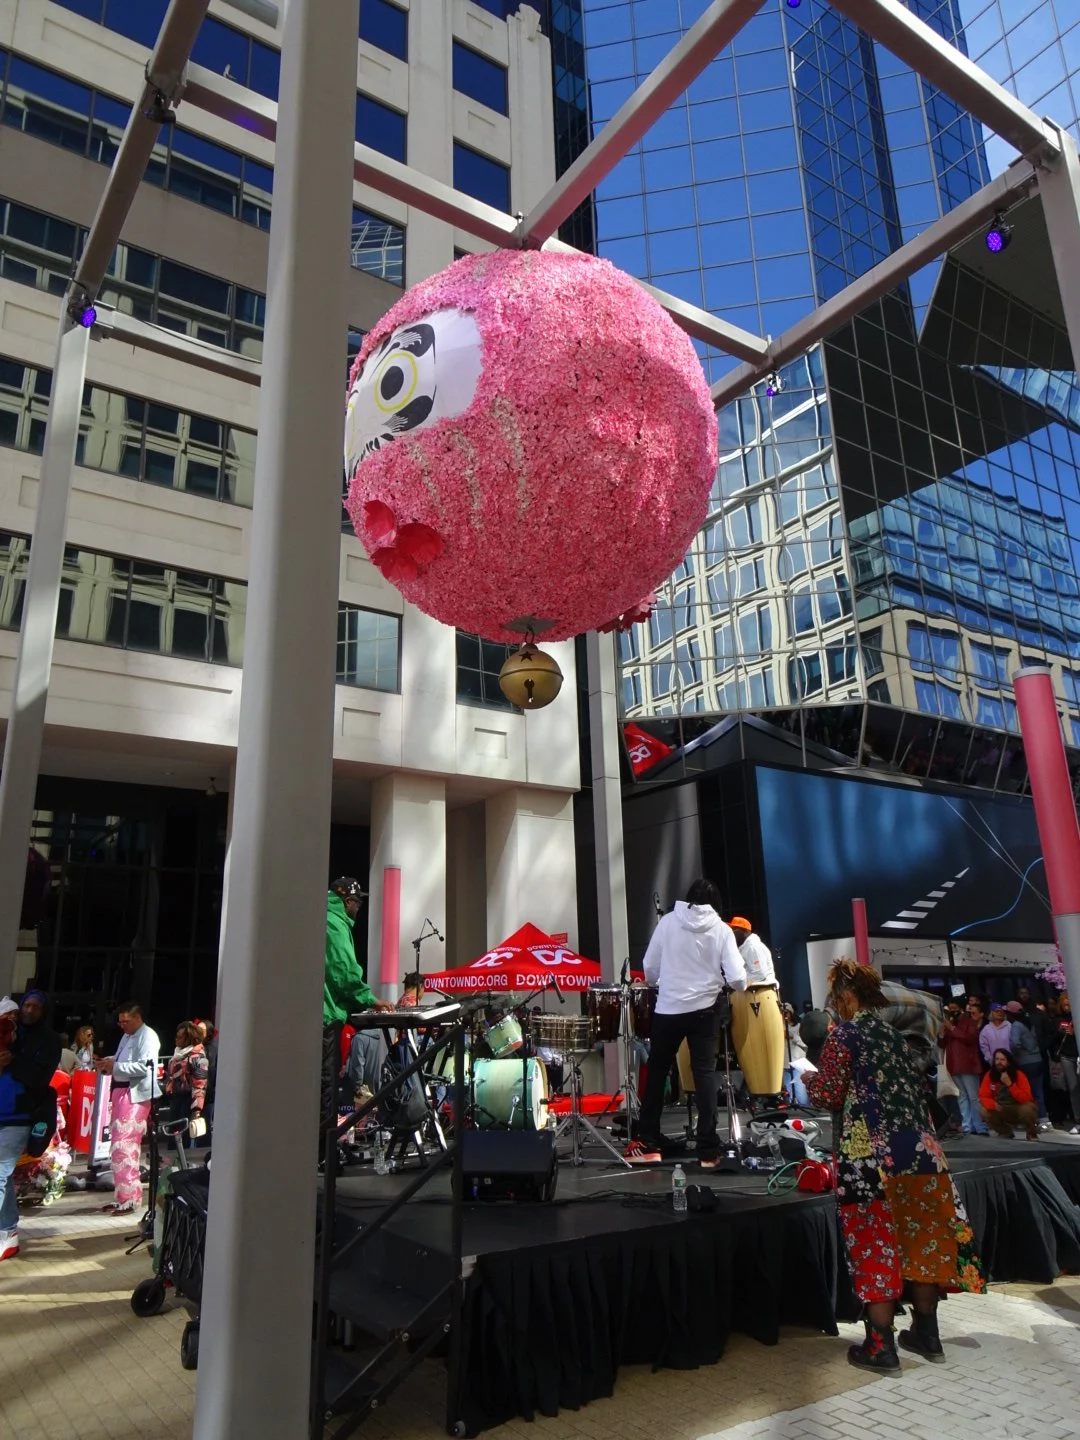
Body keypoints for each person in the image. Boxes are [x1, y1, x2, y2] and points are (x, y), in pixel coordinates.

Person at [806, 959, 982, 1370]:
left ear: (847, 997)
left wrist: (810, 1080)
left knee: (874, 1239)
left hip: (871, 1153)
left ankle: (880, 1346)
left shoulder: (844, 1035)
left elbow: (829, 1094)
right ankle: (927, 1334)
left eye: (836, 999)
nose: (835, 1006)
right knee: (923, 1239)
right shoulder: (895, 1036)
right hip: (922, 1149)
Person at [625, 878, 746, 1166]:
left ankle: (649, 1143)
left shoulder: (668, 923)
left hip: (668, 1008)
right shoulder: (721, 930)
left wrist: (659, 982)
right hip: (705, 1010)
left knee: (657, 1072)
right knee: (704, 1074)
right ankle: (708, 1150)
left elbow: (650, 965)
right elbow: (739, 979)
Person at [323, 878, 392, 1144]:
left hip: (328, 1013)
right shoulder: (335, 924)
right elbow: (344, 972)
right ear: (347, 901)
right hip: (327, 1016)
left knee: (326, 1085)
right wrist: (371, 1000)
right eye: (357, 901)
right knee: (325, 1087)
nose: (359, 907)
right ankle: (321, 1153)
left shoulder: (329, 919)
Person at [0, 989, 62, 1260]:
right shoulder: (9, 1033)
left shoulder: (49, 1040)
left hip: (20, 1117)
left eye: (36, 1007)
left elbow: (39, 1078)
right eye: (27, 1005)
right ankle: (8, 1232)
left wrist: (14, 1060)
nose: (29, 1011)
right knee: (2, 1179)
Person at [95, 1002, 160, 1215]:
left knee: (125, 1145)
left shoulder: (147, 1036)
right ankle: (123, 1195)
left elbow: (144, 1066)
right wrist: (108, 1061)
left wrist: (115, 1066)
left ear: (137, 1018)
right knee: (118, 1146)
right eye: (120, 1022)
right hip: (122, 1091)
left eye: (126, 1021)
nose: (122, 1025)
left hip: (135, 1094)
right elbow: (122, 1059)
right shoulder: (128, 1035)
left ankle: (131, 1198)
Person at [940, 997, 988, 1135]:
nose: (953, 1011)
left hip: (968, 1064)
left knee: (973, 1096)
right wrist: (942, 1034)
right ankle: (967, 1126)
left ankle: (980, 1126)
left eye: (955, 1008)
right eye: (951, 1009)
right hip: (954, 1065)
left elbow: (969, 1038)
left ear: (961, 1009)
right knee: (961, 1097)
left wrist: (952, 1028)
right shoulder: (950, 1023)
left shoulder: (969, 1022)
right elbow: (941, 1044)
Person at [1005, 1001, 1050, 1130]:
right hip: (1037, 1059)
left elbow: (1014, 1043)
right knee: (1038, 1092)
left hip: (1025, 1062)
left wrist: (1015, 1055)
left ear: (1010, 1013)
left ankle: (1031, 1120)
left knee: (1027, 1093)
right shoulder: (1029, 1022)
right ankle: (1044, 1120)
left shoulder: (1016, 1026)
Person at [163, 1022, 209, 1140]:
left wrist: (196, 1109)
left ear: (189, 1038)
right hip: (176, 1098)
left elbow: (200, 1083)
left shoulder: (198, 1056)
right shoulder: (178, 1053)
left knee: (182, 1137)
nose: (176, 1039)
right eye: (176, 1036)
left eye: (180, 1037)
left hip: (187, 1101)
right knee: (172, 1135)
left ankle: (182, 1158)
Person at [979, 1048, 1038, 1140]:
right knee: (983, 1111)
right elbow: (983, 1096)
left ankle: (1031, 1133)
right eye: (997, 1059)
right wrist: (993, 1104)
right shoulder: (989, 1075)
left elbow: (1026, 1098)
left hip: (1017, 1107)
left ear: (1008, 1062)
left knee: (1028, 1108)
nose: (999, 1062)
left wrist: (1010, 1084)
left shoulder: (1019, 1075)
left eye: (1002, 1060)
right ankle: (1005, 1132)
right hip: (1000, 1107)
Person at [1051, 996, 1080, 1134]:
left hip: (1078, 1053)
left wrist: (1075, 1033)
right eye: (1065, 1005)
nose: (1067, 1007)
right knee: (1073, 1089)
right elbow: (1052, 1039)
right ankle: (1078, 1119)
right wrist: (1059, 1032)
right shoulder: (1058, 1019)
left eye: (1069, 1004)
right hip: (1067, 1055)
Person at [782, 1002, 810, 1107]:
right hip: (785, 1063)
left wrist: (793, 1038)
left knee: (801, 1094)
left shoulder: (799, 1026)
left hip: (798, 1062)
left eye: (787, 1013)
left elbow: (806, 1044)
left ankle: (806, 1112)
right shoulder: (778, 1028)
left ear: (791, 1013)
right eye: (783, 1013)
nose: (785, 1015)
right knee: (790, 1094)